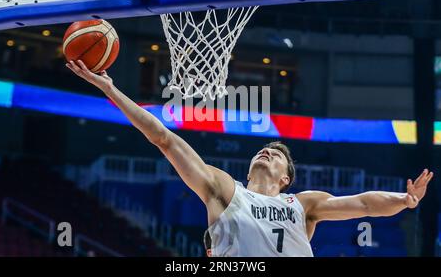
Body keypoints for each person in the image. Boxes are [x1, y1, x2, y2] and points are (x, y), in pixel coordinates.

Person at [66, 60, 434, 257]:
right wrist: (111, 90)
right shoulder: (225, 191)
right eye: (264, 149)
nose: (267, 151)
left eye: (277, 155)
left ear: (286, 178)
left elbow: (366, 205)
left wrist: (405, 200)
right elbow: (164, 138)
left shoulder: (303, 205)